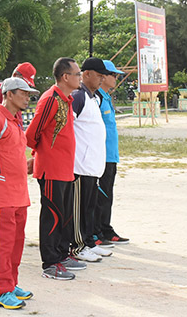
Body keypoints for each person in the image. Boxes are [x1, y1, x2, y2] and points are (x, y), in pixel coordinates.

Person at [0, 77, 38, 310]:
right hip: (2, 193)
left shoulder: (15, 120)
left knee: (16, 243)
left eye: (28, 94)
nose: (27, 97)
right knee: (2, 243)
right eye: (23, 93)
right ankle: (0, 291)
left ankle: (11, 283)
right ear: (9, 95)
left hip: (20, 193)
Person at [25, 57, 81, 280]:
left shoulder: (66, 99)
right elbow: (33, 133)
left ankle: (61, 254)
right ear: (65, 77)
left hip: (65, 168)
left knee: (64, 215)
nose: (80, 77)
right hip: (51, 169)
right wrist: (38, 156)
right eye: (77, 74)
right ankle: (50, 262)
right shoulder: (50, 99)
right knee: (52, 216)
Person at [69, 57, 111, 262]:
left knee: (89, 208)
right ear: (86, 74)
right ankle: (77, 246)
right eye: (99, 75)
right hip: (80, 165)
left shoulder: (94, 98)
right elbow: (68, 127)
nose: (102, 79)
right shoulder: (78, 96)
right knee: (79, 209)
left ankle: (87, 242)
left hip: (93, 166)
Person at [94, 60, 130, 246]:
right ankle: (96, 232)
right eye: (113, 75)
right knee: (100, 196)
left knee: (107, 194)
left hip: (111, 156)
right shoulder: (96, 98)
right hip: (100, 157)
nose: (116, 78)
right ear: (102, 76)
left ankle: (106, 229)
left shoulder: (106, 97)